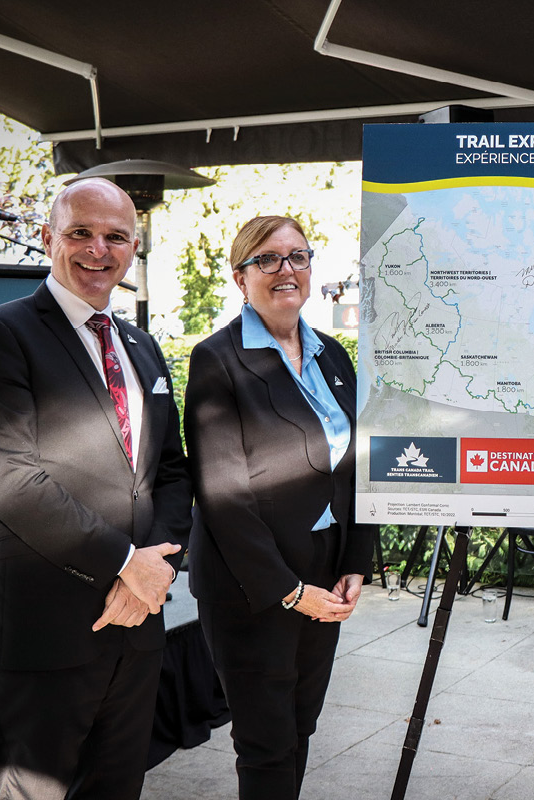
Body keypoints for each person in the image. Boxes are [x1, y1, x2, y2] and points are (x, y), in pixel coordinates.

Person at [0, 178, 192, 799]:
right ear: (49, 237)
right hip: (40, 623)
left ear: (133, 248)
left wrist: (155, 570)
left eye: (115, 237)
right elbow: (11, 481)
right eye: (80, 232)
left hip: (136, 618)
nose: (97, 250)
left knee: (116, 788)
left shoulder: (140, 345)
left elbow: (168, 471)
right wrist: (125, 563)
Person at [185, 215, 373, 798]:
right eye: (267, 260)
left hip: (324, 568)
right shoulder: (218, 360)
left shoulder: (333, 355)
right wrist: (290, 591)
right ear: (241, 278)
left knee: (300, 726)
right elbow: (222, 491)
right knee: (266, 743)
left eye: (297, 256)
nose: (285, 270)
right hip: (253, 584)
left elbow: (357, 465)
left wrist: (355, 562)